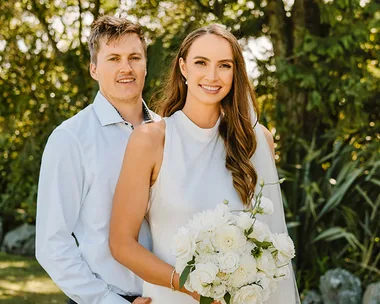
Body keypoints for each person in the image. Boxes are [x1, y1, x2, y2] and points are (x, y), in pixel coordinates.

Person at [109, 24, 301, 303]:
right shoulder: (150, 140)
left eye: (224, 65)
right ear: (184, 67)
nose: (212, 76)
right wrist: (190, 287)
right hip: (172, 297)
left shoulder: (258, 142)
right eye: (201, 62)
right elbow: (121, 244)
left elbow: (270, 242)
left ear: (235, 73)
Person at [35, 15, 159, 304]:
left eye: (134, 57)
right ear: (94, 69)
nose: (126, 68)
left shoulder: (169, 133)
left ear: (145, 65)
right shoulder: (71, 139)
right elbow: (52, 244)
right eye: (113, 58)